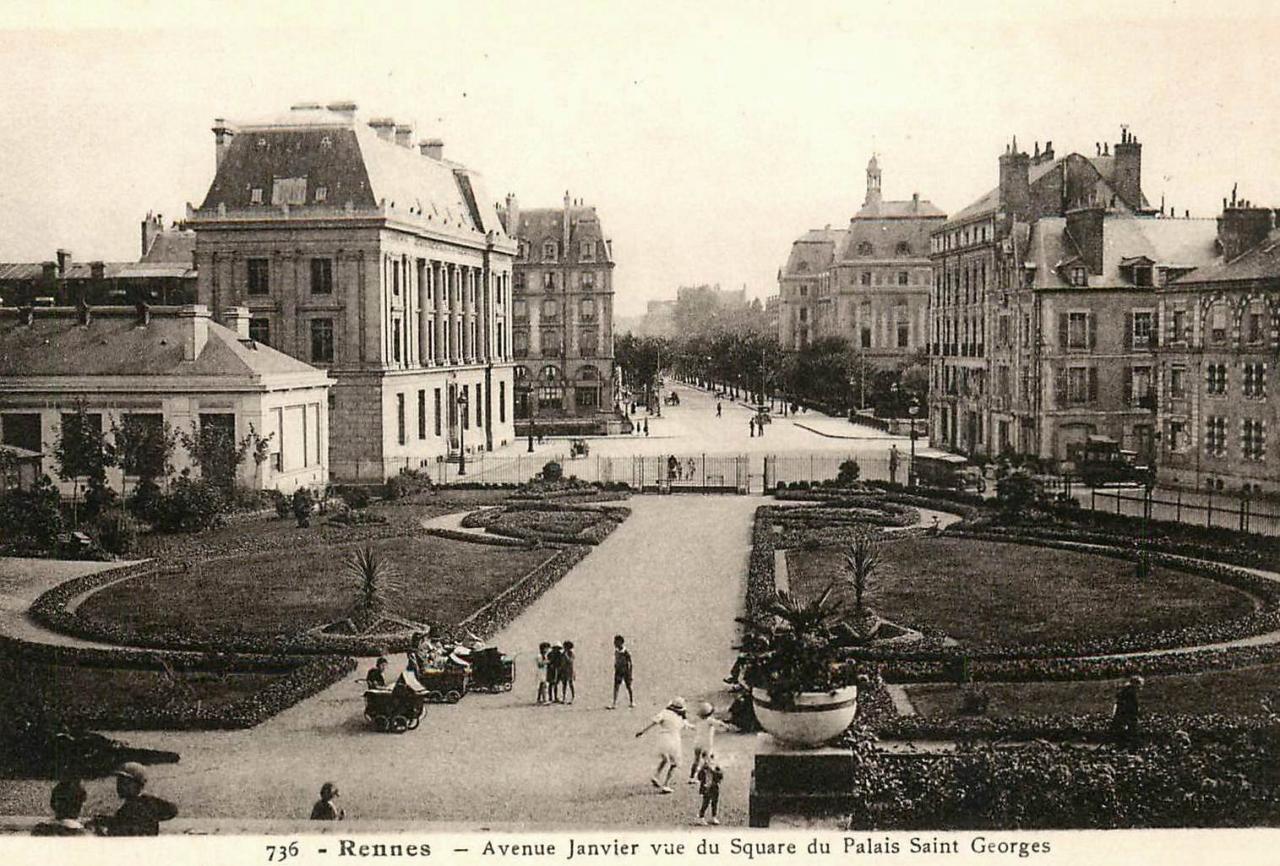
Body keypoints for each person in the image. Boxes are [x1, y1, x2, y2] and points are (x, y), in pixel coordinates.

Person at [92, 762, 177, 836]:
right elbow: (172, 810)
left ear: (138, 784)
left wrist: (98, 831)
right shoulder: (146, 803)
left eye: (125, 783)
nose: (120, 786)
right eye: (119, 781)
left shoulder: (133, 808)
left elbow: (119, 837)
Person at [635, 697, 693, 794]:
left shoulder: (664, 713)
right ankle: (666, 784)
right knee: (674, 764)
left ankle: (656, 775)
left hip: (662, 739)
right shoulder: (681, 718)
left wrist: (642, 731)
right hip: (674, 741)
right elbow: (689, 726)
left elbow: (652, 723)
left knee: (665, 759)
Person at [688, 702, 735, 784]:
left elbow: (694, 728)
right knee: (708, 760)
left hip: (697, 742)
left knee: (696, 760)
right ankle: (706, 777)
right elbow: (719, 724)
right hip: (706, 743)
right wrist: (727, 726)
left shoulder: (699, 721)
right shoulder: (710, 720)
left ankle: (691, 777)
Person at [1112, 675, 1143, 745]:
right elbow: (1132, 705)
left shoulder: (1126, 691)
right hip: (1126, 714)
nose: (1140, 688)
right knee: (1131, 729)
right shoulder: (1130, 692)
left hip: (1123, 714)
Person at [696, 753, 724, 825]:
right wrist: (703, 770)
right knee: (706, 802)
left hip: (714, 786)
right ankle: (701, 816)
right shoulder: (703, 768)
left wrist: (713, 771)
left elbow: (721, 775)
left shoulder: (716, 767)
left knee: (715, 802)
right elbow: (699, 777)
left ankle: (713, 816)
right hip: (707, 787)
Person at [610, 634, 635, 709]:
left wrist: (630, 673)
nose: (614, 643)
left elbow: (630, 663)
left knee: (628, 686)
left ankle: (632, 701)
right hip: (618, 671)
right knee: (616, 687)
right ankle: (614, 703)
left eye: (616, 642)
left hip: (625, 671)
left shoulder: (625, 652)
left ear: (620, 642)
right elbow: (616, 660)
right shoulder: (616, 651)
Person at [559, 640, 576, 704]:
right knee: (564, 684)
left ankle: (572, 697)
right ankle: (564, 697)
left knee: (570, 684)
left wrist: (566, 656)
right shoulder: (562, 654)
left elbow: (570, 661)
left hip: (570, 670)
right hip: (564, 671)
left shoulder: (571, 654)